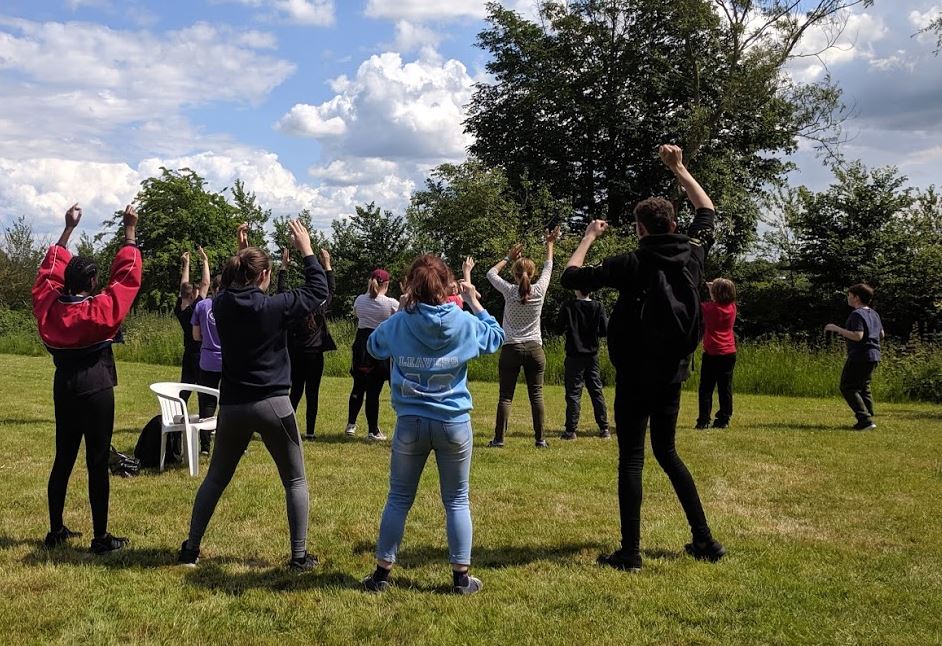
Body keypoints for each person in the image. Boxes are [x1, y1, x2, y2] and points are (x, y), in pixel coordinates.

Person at [561, 144, 726, 572]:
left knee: (632, 456)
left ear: (640, 228)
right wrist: (679, 168)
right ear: (672, 222)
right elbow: (706, 208)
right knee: (667, 453)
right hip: (674, 371)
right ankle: (704, 540)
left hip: (635, 373)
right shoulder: (693, 252)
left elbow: (570, 276)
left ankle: (631, 552)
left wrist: (588, 237)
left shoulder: (629, 262)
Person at [178, 220, 328, 570]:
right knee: (294, 480)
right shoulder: (275, 307)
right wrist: (306, 249)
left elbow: (233, 280)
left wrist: (241, 249)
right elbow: (317, 289)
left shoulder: (222, 305)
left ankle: (191, 548)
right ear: (264, 277)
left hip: (233, 404)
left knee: (216, 477)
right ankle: (299, 556)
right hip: (274, 404)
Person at [360, 255, 504, 595]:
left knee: (398, 498)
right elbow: (496, 337)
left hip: (410, 422)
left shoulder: (400, 322)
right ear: (447, 285)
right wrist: (473, 301)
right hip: (453, 421)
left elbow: (374, 346)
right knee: (456, 500)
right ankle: (461, 578)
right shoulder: (464, 321)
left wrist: (401, 310)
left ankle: (381, 574)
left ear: (411, 286)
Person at [32, 202, 141, 554]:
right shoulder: (99, 312)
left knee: (63, 457)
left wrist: (68, 229)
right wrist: (129, 232)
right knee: (96, 461)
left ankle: (55, 530)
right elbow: (126, 279)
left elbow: (45, 277)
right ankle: (100, 537)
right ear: (93, 282)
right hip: (96, 388)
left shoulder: (50, 311)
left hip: (63, 387)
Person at [486, 228, 560, 448]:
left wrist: (508, 257)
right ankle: (540, 439)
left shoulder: (509, 291)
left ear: (515, 275)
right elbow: (549, 266)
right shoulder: (539, 290)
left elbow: (491, 274)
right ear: (532, 274)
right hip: (535, 348)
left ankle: (499, 439)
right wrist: (549, 244)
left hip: (511, 348)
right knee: (536, 395)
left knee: (505, 396)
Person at [277, 247, 337, 440]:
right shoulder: (319, 307)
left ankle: (288, 428)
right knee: (312, 394)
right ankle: (310, 432)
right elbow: (331, 289)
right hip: (314, 356)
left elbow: (281, 291)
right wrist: (327, 265)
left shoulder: (294, 309)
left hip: (295, 354)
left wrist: (283, 267)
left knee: (294, 391)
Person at [346, 268, 399, 441]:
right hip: (382, 346)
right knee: (385, 389)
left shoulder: (360, 300)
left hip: (362, 345)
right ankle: (376, 430)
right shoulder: (391, 303)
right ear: (387, 283)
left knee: (361, 386)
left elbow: (356, 313)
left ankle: (355, 426)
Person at [825, 283, 884, 431]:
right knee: (863, 387)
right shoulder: (873, 313)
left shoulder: (857, 314)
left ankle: (865, 420)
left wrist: (836, 328)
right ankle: (869, 416)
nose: (848, 298)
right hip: (874, 355)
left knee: (848, 386)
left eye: (849, 295)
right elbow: (881, 334)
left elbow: (858, 336)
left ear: (856, 298)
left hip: (860, 355)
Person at [556, 289, 610, 440]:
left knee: (573, 393)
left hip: (574, 354)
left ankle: (570, 430)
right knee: (596, 391)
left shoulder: (568, 306)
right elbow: (604, 331)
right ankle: (604, 428)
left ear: (575, 289)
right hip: (592, 355)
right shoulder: (598, 306)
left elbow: (558, 328)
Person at [696, 278, 737, 430]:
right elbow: (720, 298)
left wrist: (706, 288)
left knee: (706, 388)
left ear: (715, 293)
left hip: (712, 352)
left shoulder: (707, 308)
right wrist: (715, 288)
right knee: (725, 387)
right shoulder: (732, 308)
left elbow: (696, 305)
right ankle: (724, 419)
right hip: (729, 352)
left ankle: (703, 420)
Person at [191, 274, 223, 454]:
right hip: (227, 360)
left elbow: (196, 336)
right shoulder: (231, 304)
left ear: (212, 289)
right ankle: (233, 444)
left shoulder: (202, 306)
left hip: (207, 359)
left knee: (206, 403)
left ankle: (205, 446)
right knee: (229, 402)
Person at [174, 246, 210, 403]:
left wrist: (186, 263)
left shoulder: (180, 309)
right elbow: (206, 283)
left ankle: (179, 417)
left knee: (185, 387)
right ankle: (204, 416)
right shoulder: (197, 307)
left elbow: (184, 285)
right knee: (203, 388)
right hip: (200, 352)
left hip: (188, 352)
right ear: (193, 294)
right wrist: (205, 260)